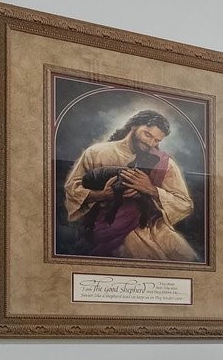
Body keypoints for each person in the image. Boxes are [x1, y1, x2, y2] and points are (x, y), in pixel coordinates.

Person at [61, 105, 199, 262]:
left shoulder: (163, 163)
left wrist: (151, 189)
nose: (151, 144)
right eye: (148, 135)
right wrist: (102, 195)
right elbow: (72, 189)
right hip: (111, 227)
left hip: (154, 225)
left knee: (188, 257)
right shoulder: (96, 152)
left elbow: (185, 204)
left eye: (157, 140)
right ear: (134, 126)